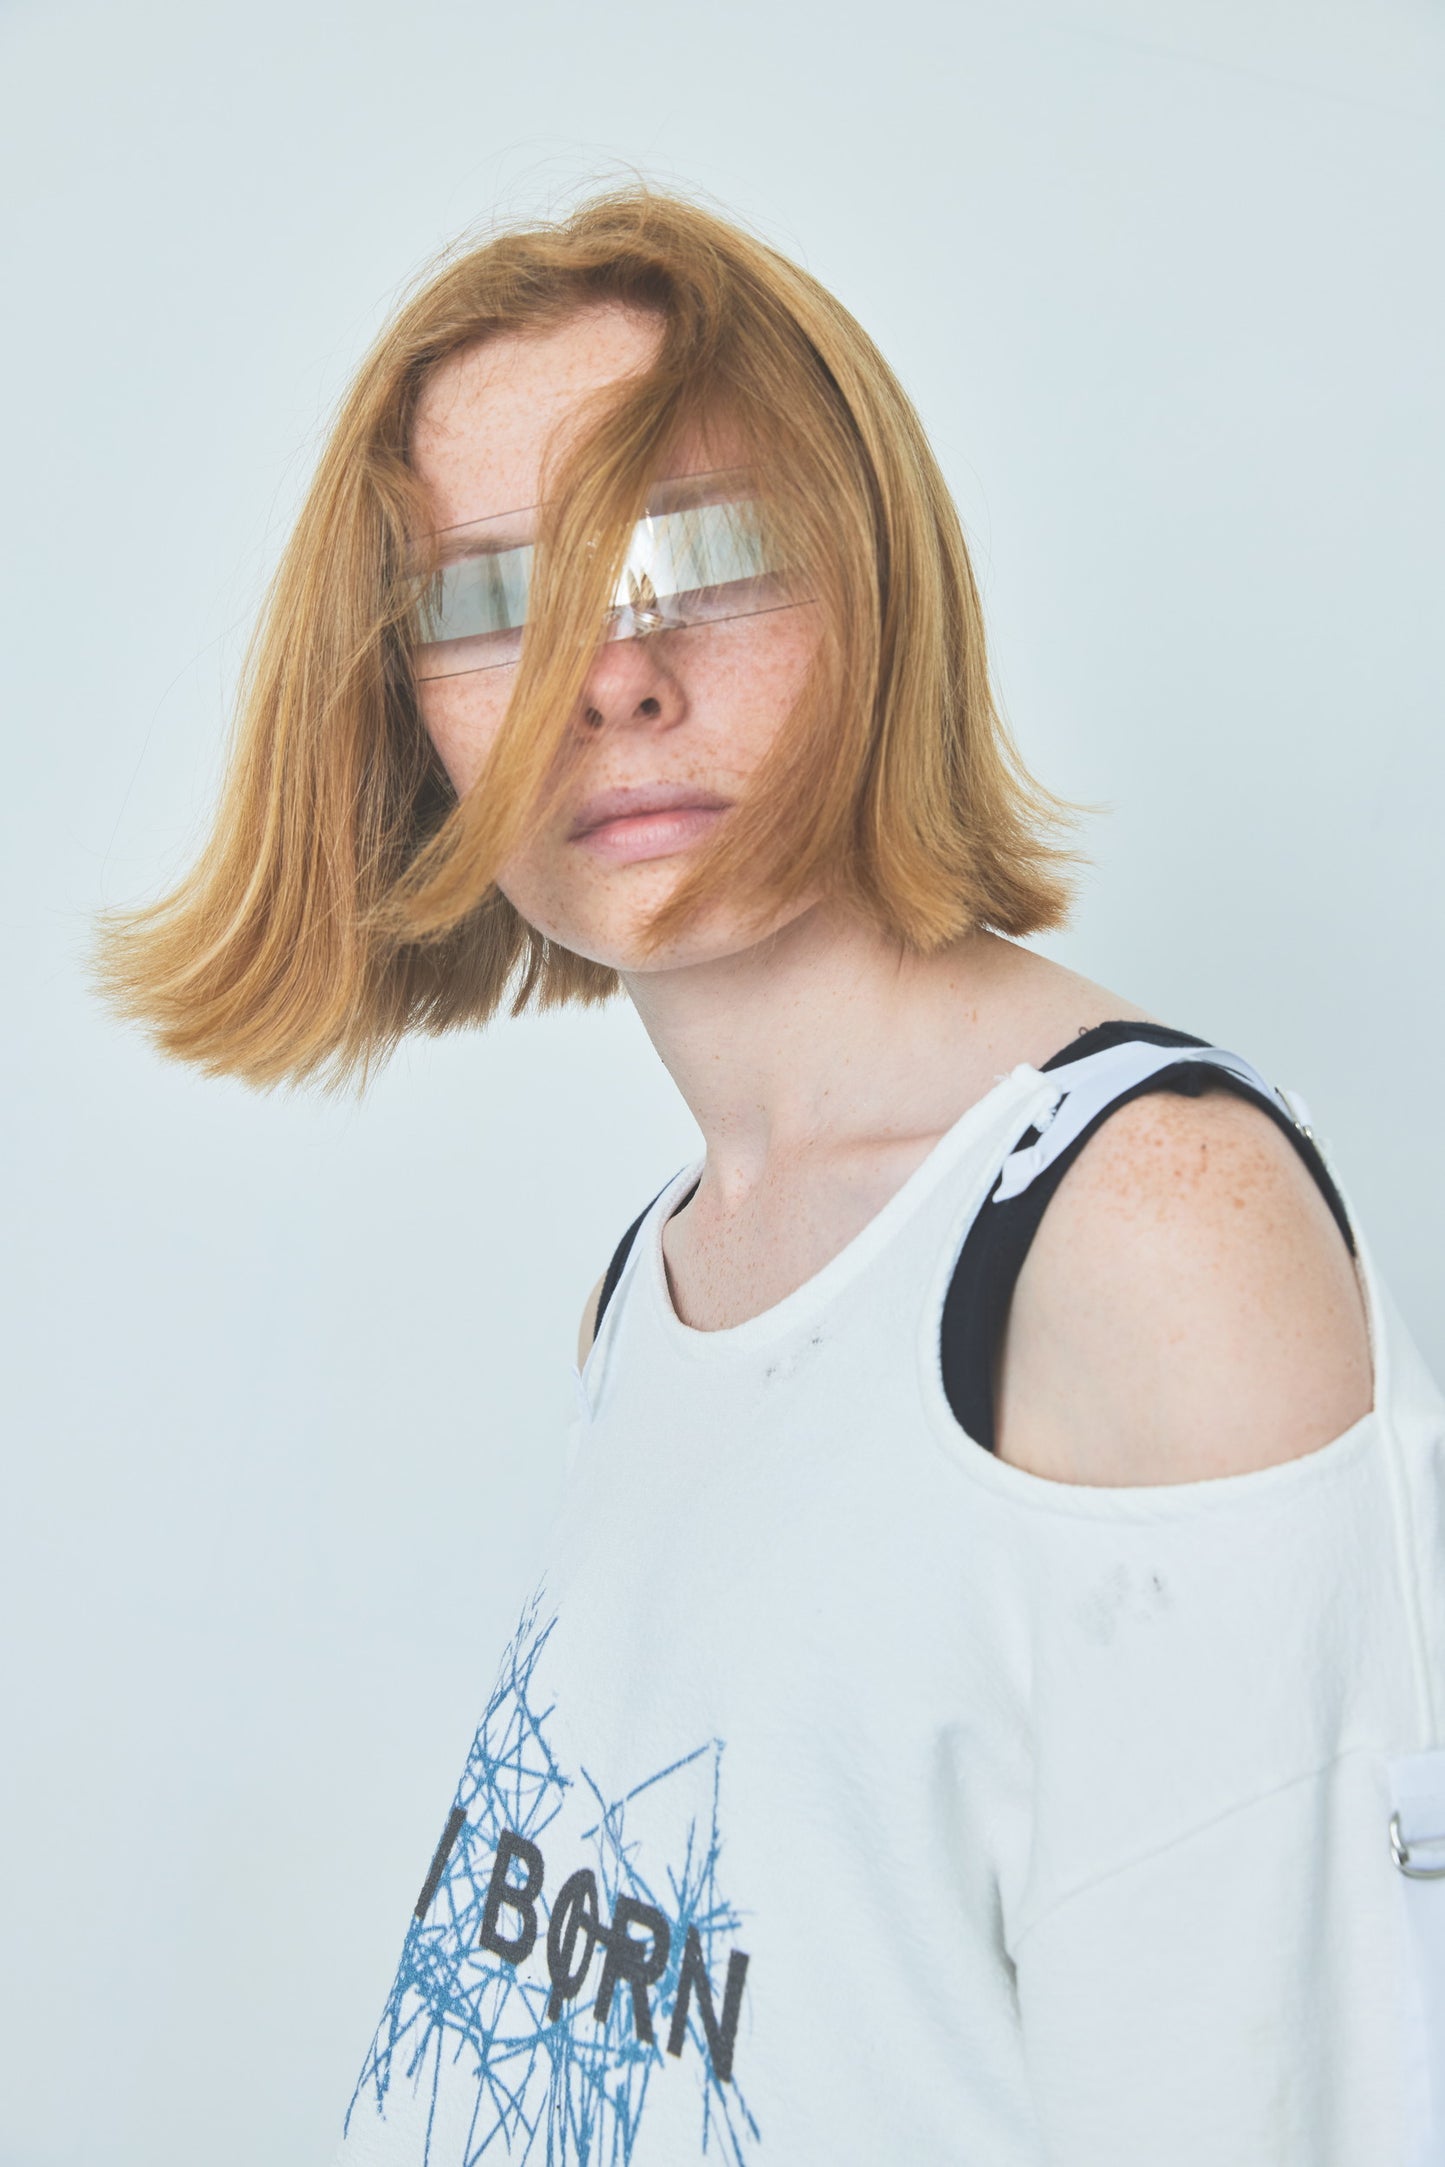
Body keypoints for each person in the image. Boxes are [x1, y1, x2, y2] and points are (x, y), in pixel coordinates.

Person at [93, 187, 1445, 2166]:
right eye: (490, 598)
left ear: (877, 588)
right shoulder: (657, 1280)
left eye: (708, 557)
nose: (609, 677)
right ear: (400, 708)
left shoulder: (1138, 1233)